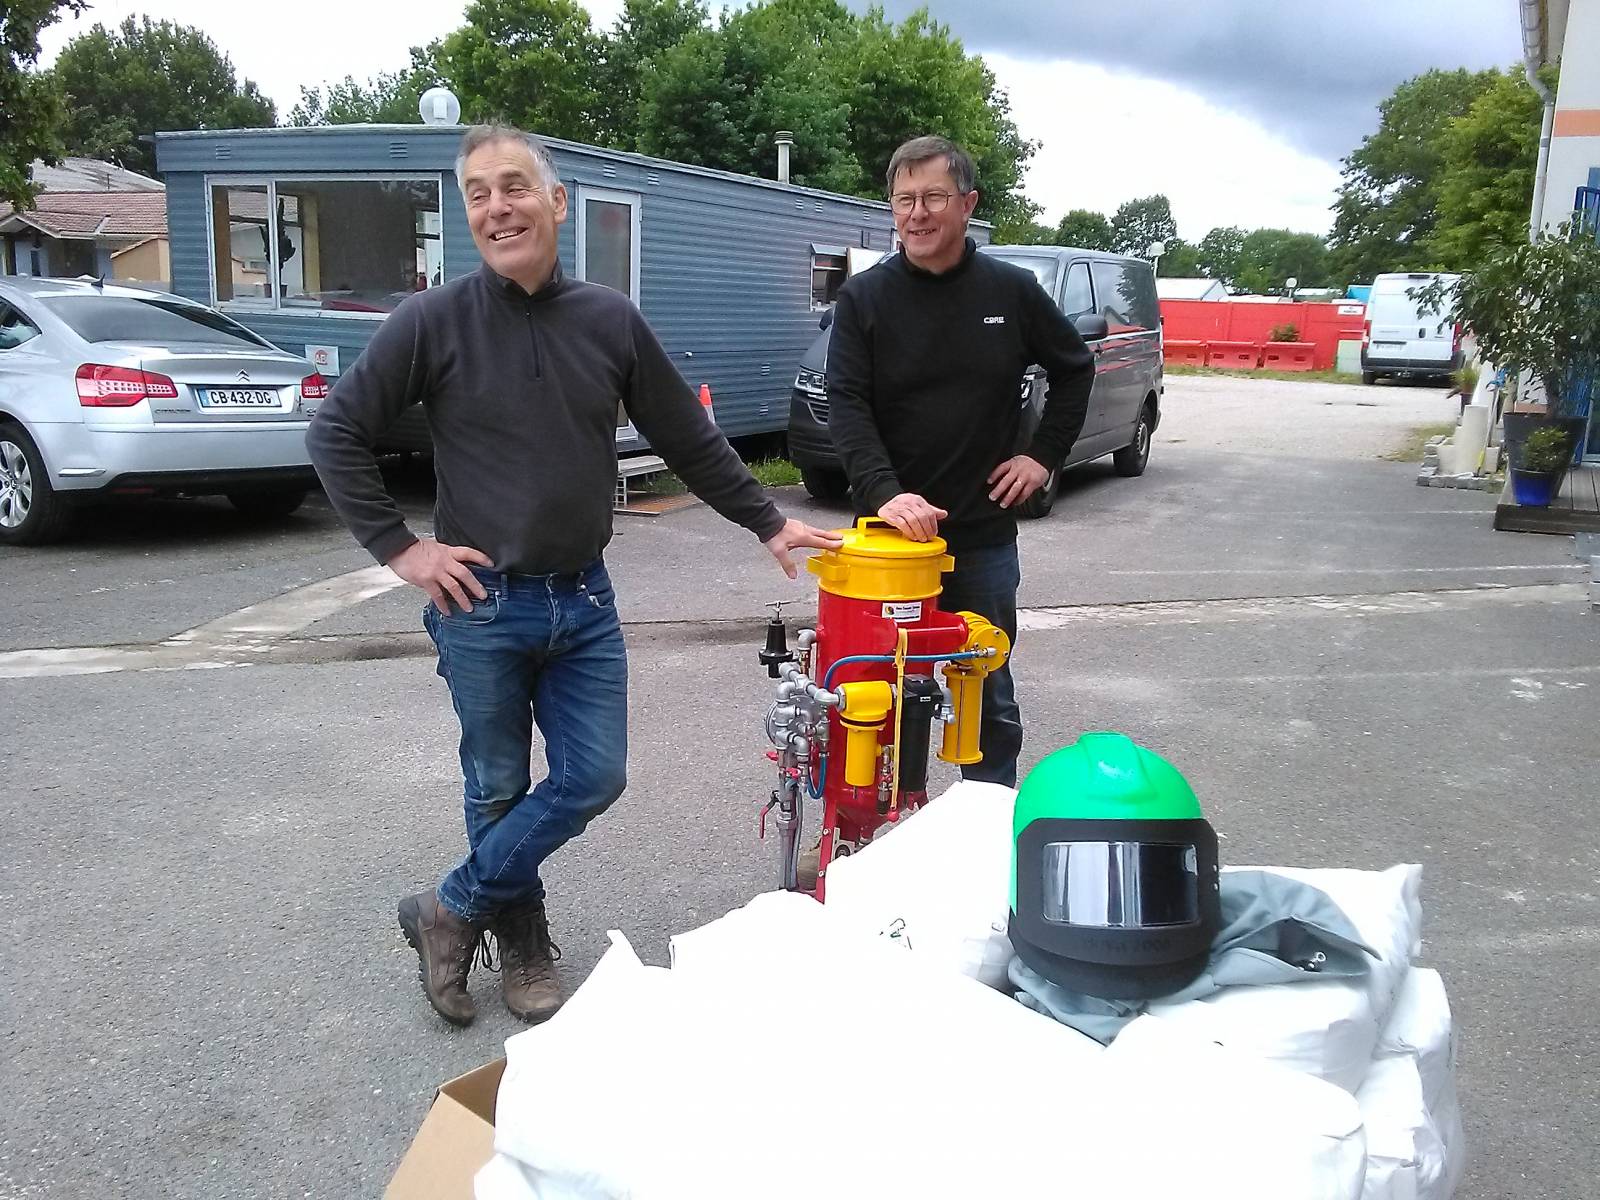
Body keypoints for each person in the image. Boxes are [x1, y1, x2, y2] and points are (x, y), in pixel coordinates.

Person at [307, 125, 840, 1027]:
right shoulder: (433, 321)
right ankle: (520, 942)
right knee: (497, 785)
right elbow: (336, 432)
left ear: (556, 202)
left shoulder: (608, 320)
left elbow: (686, 435)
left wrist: (765, 518)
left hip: (582, 599)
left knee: (594, 776)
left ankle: (449, 908)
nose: (497, 207)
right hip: (480, 603)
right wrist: (404, 550)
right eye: (478, 193)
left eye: (515, 186)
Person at [825, 135, 1096, 788]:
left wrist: (1042, 456)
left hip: (980, 540)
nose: (917, 213)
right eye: (904, 200)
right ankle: (872, 823)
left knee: (988, 698)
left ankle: (985, 820)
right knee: (871, 699)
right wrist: (884, 491)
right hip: (890, 548)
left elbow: (1075, 368)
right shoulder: (865, 298)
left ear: (968, 204)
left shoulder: (1012, 292)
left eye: (933, 198)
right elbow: (847, 401)